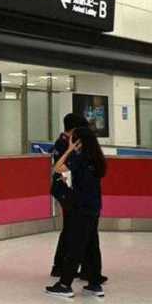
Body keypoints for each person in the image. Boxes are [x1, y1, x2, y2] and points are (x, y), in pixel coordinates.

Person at [46, 127, 107, 298]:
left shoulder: (79, 158)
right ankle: (94, 283)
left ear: (78, 141)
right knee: (91, 246)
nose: (70, 141)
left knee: (75, 246)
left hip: (80, 208)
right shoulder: (97, 159)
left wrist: (69, 150)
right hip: (94, 207)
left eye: (72, 139)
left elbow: (57, 168)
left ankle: (65, 284)